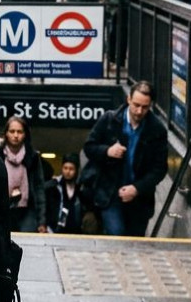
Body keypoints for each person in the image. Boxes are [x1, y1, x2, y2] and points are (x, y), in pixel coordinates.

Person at [82, 81, 168, 237]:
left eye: (145, 107)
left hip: (139, 199)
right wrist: (107, 151)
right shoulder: (109, 120)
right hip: (110, 193)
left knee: (135, 240)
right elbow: (89, 147)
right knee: (117, 234)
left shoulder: (157, 130)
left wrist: (137, 188)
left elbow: (160, 168)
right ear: (128, 99)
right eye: (136, 105)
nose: (139, 111)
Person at [0, 116, 49, 233]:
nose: (15, 135)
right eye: (12, 131)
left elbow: (39, 188)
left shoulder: (32, 156)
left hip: (27, 211)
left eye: (19, 132)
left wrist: (42, 221)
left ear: (25, 134)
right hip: (3, 209)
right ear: (6, 134)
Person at [44, 153, 86, 234]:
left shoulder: (81, 188)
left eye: (71, 169)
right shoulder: (52, 186)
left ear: (76, 170)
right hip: (55, 230)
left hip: (76, 231)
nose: (67, 171)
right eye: (65, 168)